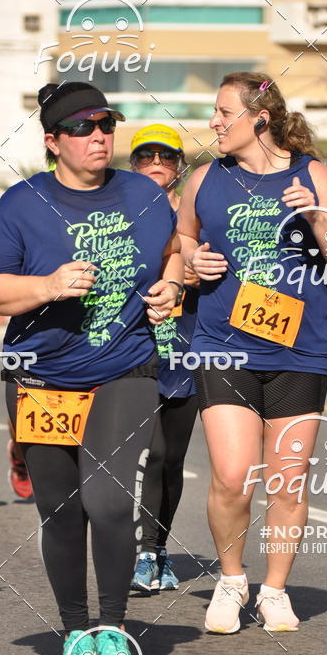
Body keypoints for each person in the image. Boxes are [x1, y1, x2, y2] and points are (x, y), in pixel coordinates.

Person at [0, 81, 183, 655]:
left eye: (106, 125)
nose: (99, 137)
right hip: (41, 377)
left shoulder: (143, 193)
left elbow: (173, 249)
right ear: (53, 141)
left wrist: (173, 283)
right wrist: (45, 287)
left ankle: (113, 630)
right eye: (84, 128)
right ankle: (74, 633)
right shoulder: (22, 204)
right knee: (61, 511)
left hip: (126, 367)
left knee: (109, 501)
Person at [177, 71, 327, 633]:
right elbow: (183, 236)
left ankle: (274, 589)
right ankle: (232, 580)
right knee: (233, 477)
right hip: (222, 345)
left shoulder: (313, 174)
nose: (213, 122)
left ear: (259, 119)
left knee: (288, 479)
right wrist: (190, 264)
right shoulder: (205, 178)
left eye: (223, 112)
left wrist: (316, 218)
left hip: (298, 351)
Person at [128, 125, 199, 592]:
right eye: (146, 156)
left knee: (169, 459)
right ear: (133, 165)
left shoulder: (193, 215)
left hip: (187, 347)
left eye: (166, 157)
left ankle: (158, 550)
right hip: (133, 349)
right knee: (141, 456)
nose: (156, 163)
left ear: (179, 167)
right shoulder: (123, 210)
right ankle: (137, 550)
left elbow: (201, 266)